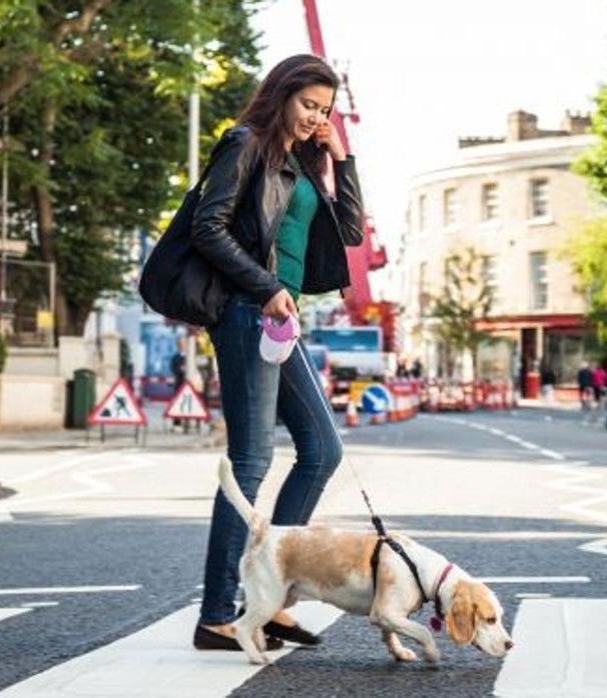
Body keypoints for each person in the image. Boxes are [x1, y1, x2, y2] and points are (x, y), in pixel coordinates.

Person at [190, 55, 365, 653]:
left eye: (324, 109)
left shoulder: (304, 162)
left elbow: (350, 233)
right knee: (251, 461)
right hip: (246, 311)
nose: (315, 116)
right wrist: (266, 289)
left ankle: (273, 599)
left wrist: (341, 156)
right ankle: (217, 613)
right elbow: (206, 228)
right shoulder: (245, 144)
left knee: (321, 448)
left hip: (277, 317)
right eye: (308, 104)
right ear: (283, 95)